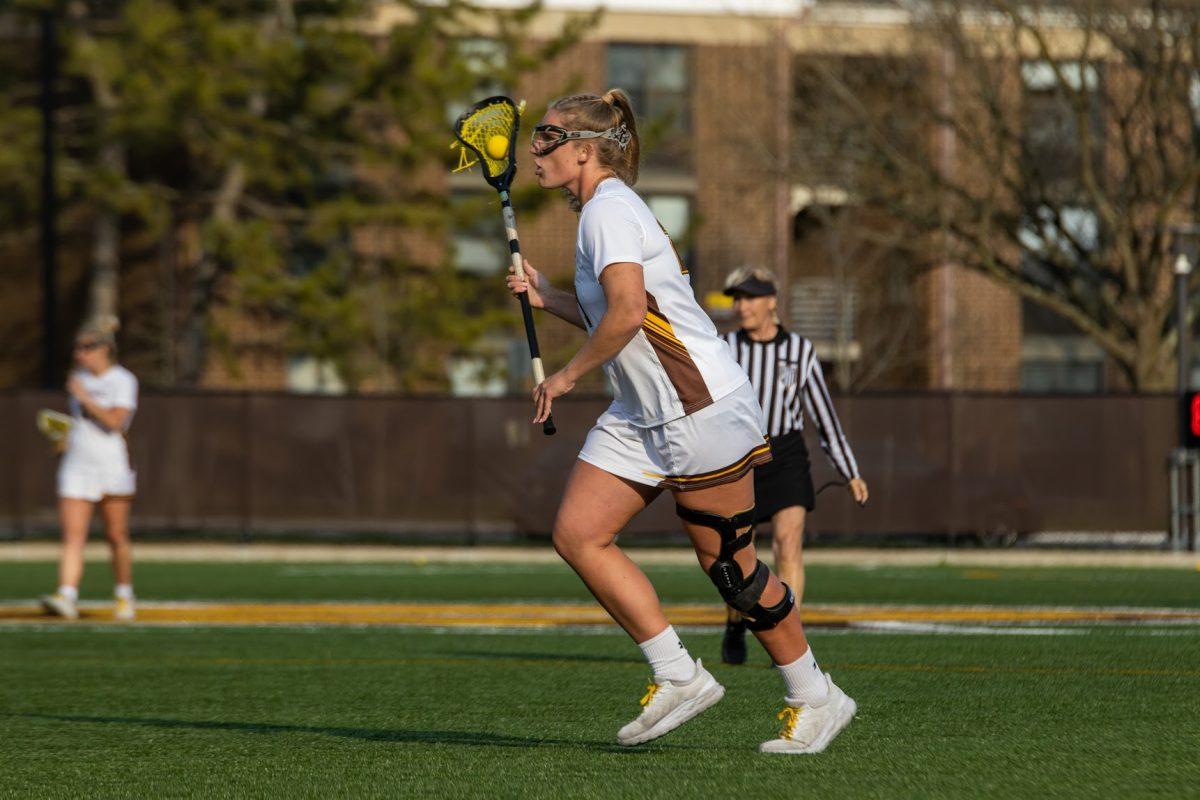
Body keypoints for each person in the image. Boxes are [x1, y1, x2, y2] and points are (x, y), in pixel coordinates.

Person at [504, 89, 856, 754]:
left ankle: (817, 695)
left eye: (547, 137)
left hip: (700, 409)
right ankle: (678, 673)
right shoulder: (600, 214)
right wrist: (549, 298)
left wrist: (567, 376)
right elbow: (623, 312)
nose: (536, 150)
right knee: (579, 533)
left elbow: (630, 313)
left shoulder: (606, 210)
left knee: (734, 573)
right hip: (643, 414)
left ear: (584, 150)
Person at [718, 268, 869, 665]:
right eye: (737, 298)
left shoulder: (799, 351)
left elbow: (824, 416)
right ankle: (736, 625)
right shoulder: (725, 346)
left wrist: (849, 471)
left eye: (750, 297)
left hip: (786, 455)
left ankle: (789, 641)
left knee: (789, 544)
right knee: (737, 556)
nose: (742, 306)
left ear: (772, 301)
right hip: (739, 455)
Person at [39, 316, 139, 622]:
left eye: (87, 348)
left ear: (105, 349)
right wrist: (63, 438)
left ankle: (124, 594)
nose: (80, 354)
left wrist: (84, 397)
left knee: (116, 534)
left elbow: (114, 422)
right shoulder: (77, 378)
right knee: (73, 535)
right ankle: (66, 594)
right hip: (77, 465)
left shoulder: (123, 380)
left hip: (110, 464)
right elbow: (81, 423)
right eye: (77, 348)